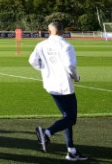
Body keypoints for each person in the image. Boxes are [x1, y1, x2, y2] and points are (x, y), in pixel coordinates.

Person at [29, 21, 87, 161]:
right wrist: (76, 77)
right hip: (64, 86)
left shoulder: (41, 45)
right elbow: (70, 65)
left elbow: (32, 61)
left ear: (49, 32)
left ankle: (71, 150)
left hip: (50, 84)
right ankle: (47, 132)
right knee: (71, 118)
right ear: (63, 31)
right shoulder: (66, 45)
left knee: (66, 117)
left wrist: (45, 70)